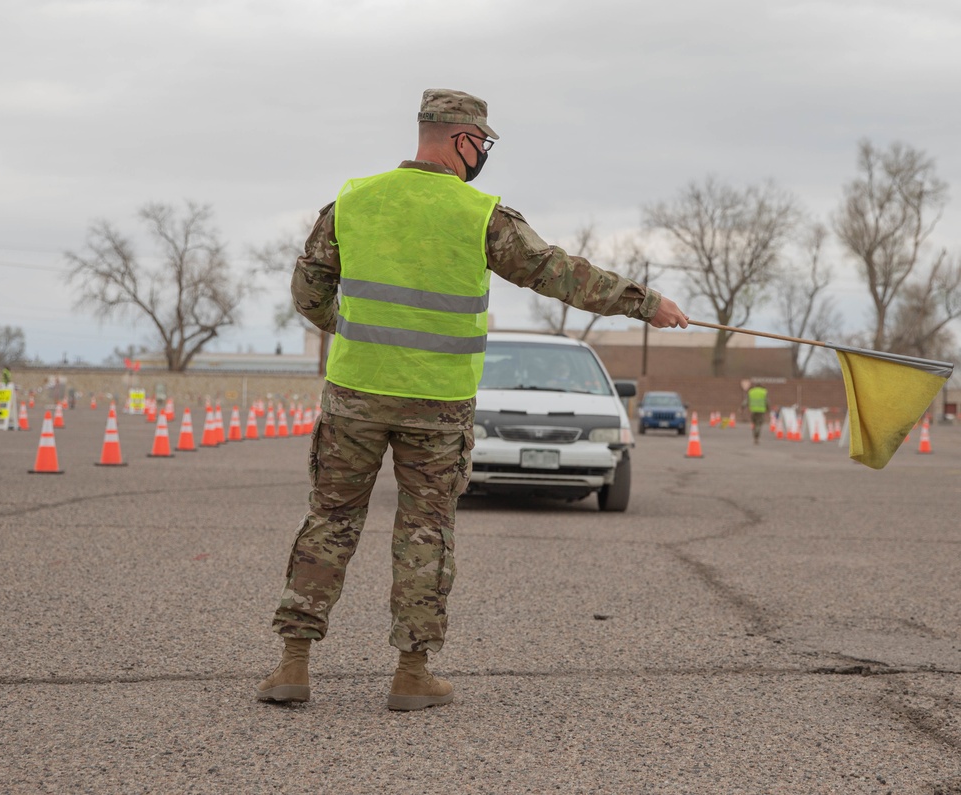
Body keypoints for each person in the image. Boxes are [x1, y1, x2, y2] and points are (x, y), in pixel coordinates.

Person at [257, 88, 689, 711]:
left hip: (355, 394)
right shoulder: (481, 213)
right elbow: (557, 272)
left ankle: (293, 665)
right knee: (425, 529)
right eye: (481, 143)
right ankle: (411, 675)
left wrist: (356, 332)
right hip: (438, 402)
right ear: (461, 139)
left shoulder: (351, 201)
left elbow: (308, 292)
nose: (482, 155)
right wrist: (644, 302)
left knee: (329, 521)